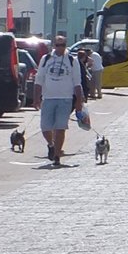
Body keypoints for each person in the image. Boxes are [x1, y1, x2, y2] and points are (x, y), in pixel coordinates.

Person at [33, 35, 85, 167]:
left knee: (60, 127)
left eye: (62, 45)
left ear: (66, 45)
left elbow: (77, 82)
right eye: (57, 45)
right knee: (45, 127)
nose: (60, 48)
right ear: (53, 46)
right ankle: (51, 145)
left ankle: (57, 156)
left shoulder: (71, 60)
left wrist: (79, 101)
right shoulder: (46, 59)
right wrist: (36, 98)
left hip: (65, 99)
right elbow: (39, 80)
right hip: (48, 98)